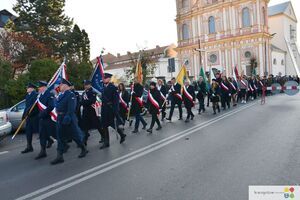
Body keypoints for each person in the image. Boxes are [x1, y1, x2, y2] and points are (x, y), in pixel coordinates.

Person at [50, 79, 88, 165]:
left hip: (69, 119)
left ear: (66, 86)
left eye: (61, 85)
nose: (59, 86)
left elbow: (71, 108)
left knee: (75, 136)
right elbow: (57, 105)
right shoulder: (60, 95)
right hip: (60, 118)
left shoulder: (71, 95)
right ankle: (60, 156)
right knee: (60, 137)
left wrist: (67, 117)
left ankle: (83, 148)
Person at [100, 73, 126, 149]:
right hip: (104, 109)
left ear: (109, 79)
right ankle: (106, 142)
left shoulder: (113, 88)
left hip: (111, 110)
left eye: (105, 78)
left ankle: (122, 135)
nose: (104, 79)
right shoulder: (103, 87)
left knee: (112, 125)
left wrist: (116, 111)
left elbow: (116, 101)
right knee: (104, 126)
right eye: (103, 78)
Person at [35, 81, 56, 159]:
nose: (39, 89)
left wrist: (43, 113)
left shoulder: (50, 95)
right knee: (42, 135)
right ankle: (43, 151)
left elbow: (51, 106)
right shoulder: (39, 96)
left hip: (48, 119)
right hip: (42, 119)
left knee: (54, 134)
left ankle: (64, 144)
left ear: (44, 87)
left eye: (40, 87)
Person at [81, 80, 104, 145]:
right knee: (85, 126)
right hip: (85, 111)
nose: (85, 86)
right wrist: (84, 102)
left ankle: (103, 136)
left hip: (92, 111)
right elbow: (82, 101)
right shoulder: (84, 93)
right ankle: (84, 141)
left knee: (97, 125)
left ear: (90, 85)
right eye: (85, 84)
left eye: (86, 84)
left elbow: (92, 101)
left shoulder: (93, 92)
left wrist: (84, 102)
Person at [21, 83, 39, 154]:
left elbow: (35, 106)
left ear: (32, 88)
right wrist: (24, 115)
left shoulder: (36, 95)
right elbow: (27, 107)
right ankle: (29, 147)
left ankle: (49, 140)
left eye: (28, 87)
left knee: (40, 131)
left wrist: (30, 113)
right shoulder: (27, 96)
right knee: (28, 132)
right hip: (29, 117)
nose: (27, 88)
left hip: (35, 116)